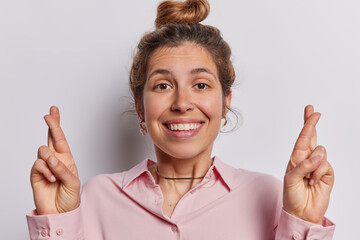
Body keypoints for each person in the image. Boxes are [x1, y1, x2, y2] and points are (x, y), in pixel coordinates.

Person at [27, 0, 335, 239]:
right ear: (139, 105)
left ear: (225, 101)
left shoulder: (269, 196)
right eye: (163, 85)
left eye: (200, 85)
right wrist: (56, 221)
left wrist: (303, 222)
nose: (182, 103)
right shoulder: (95, 198)